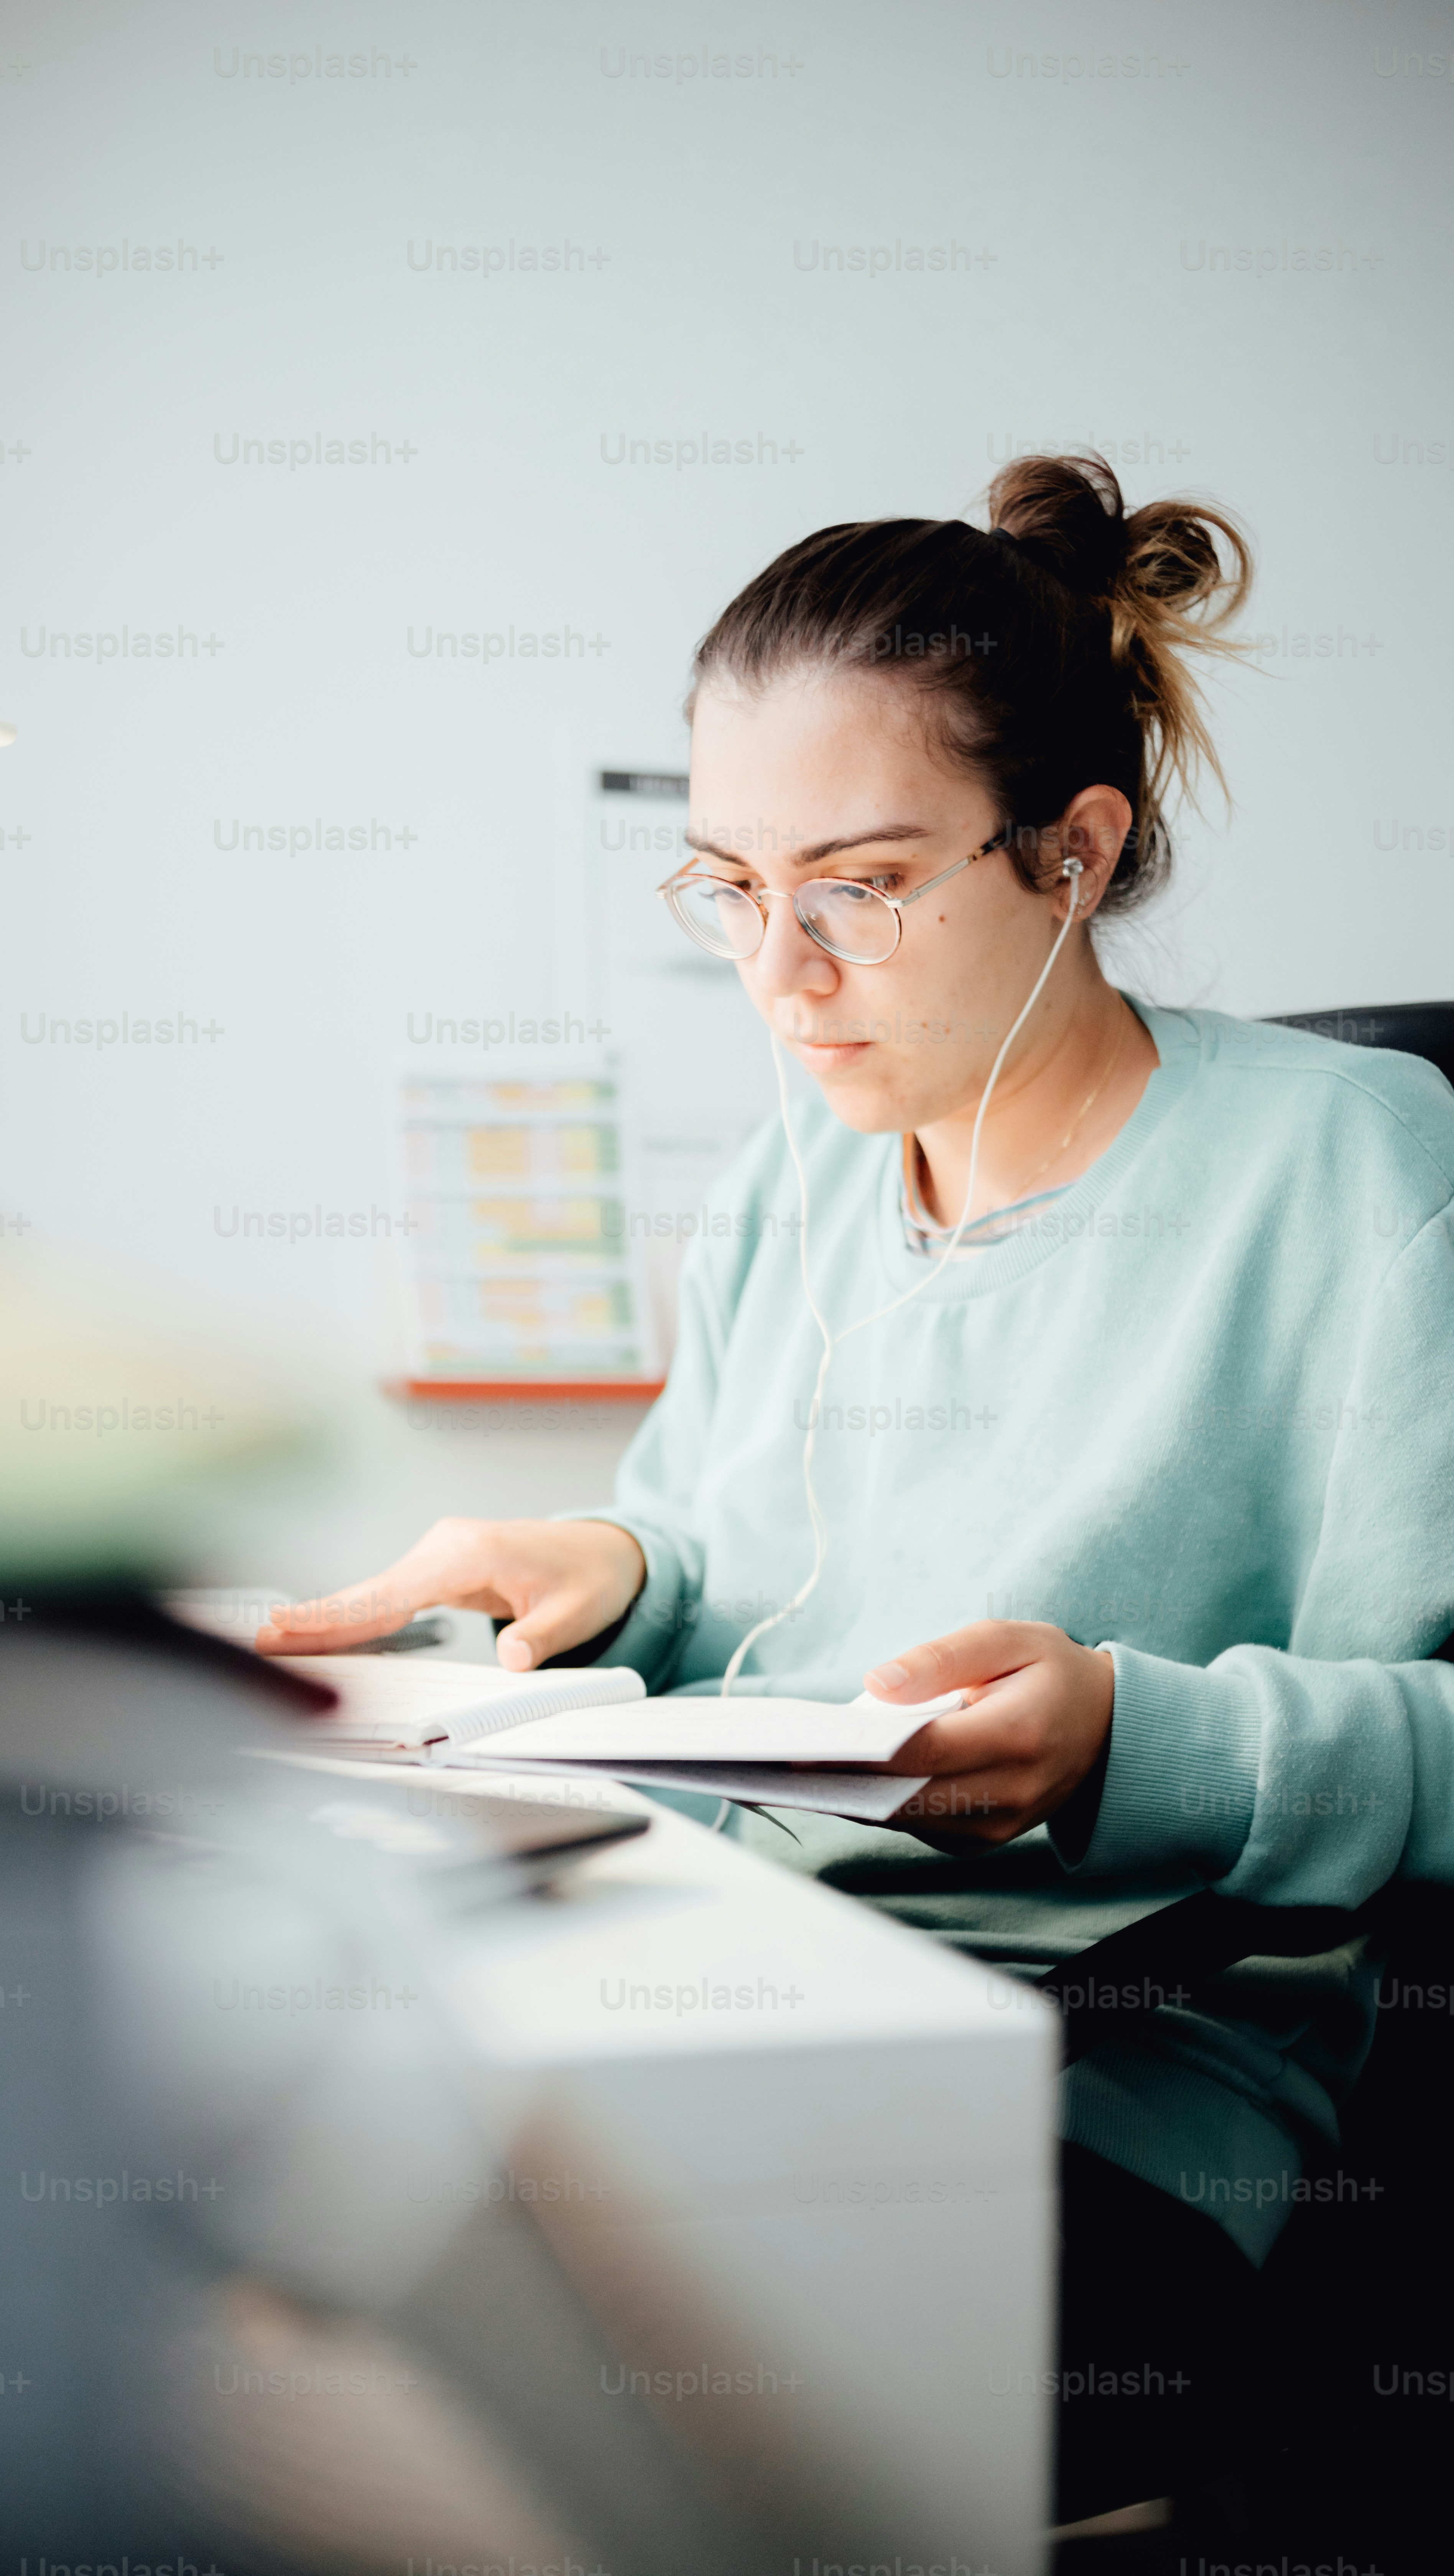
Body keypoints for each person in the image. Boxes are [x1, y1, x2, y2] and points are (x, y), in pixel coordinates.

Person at [257, 453, 1454, 2527]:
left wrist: (1127, 1739)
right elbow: (737, 1573)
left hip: (1115, 2068)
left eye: (861, 884)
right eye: (729, 884)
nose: (777, 972)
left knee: (552, 2434)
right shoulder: (807, 1169)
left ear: (1072, 853)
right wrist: (607, 1570)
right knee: (301, 2274)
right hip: (740, 1971)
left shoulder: (1363, 1166)